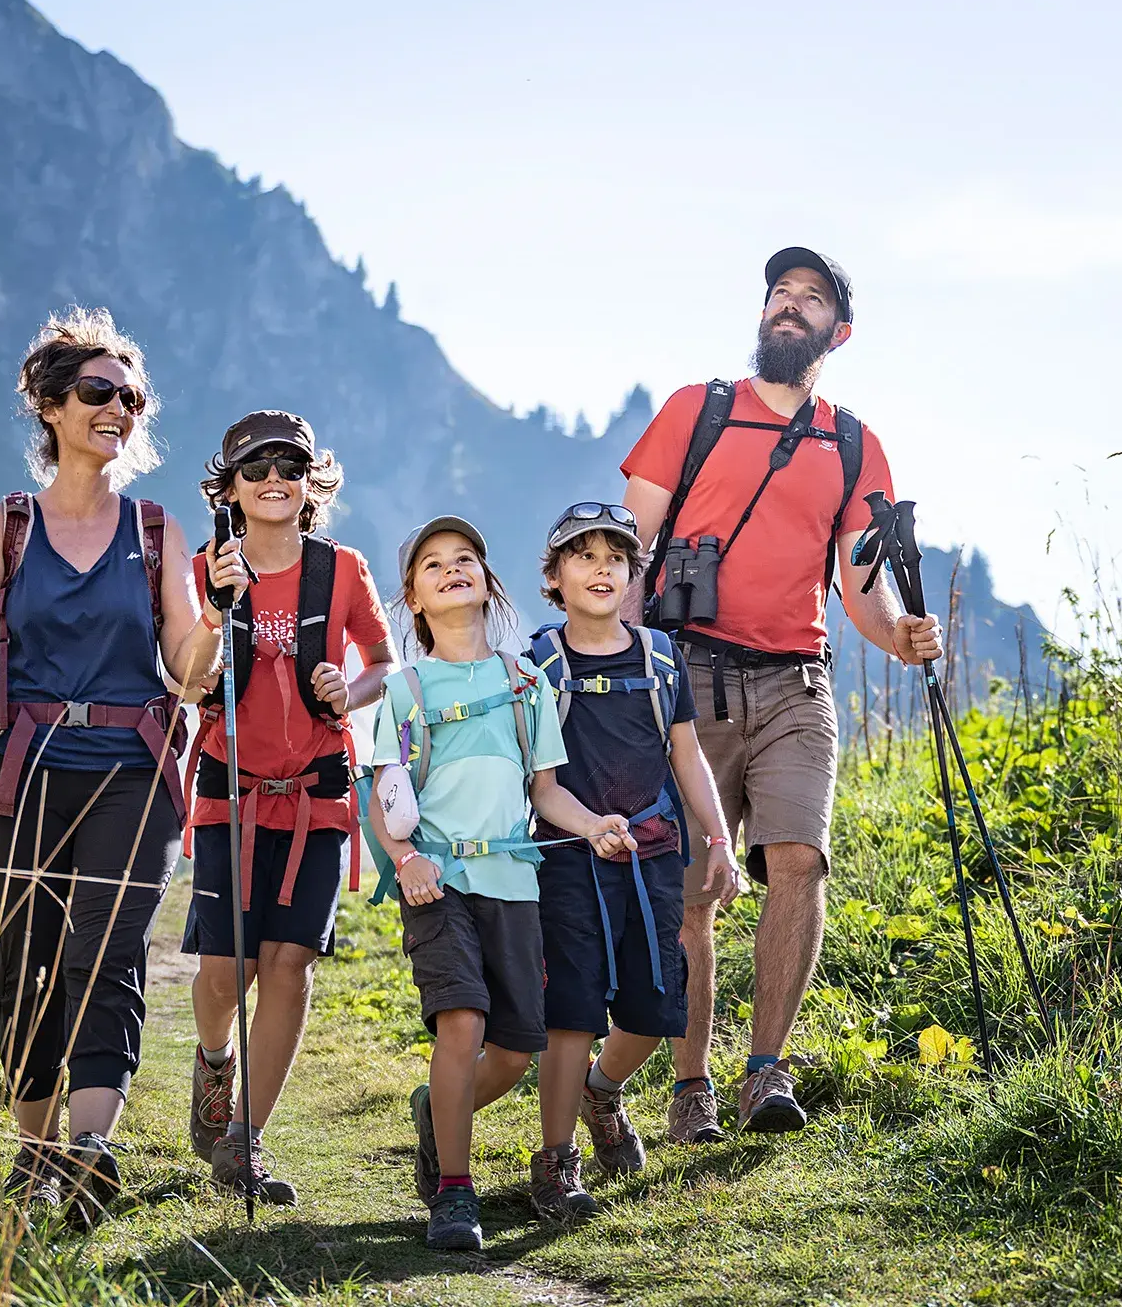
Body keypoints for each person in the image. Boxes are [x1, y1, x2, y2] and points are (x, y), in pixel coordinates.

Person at [0, 307, 246, 1228]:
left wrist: (216, 620)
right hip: (17, 774)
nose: (118, 409)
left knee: (107, 952)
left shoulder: (157, 531)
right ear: (52, 407)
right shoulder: (4, 526)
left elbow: (187, 676)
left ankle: (92, 1151)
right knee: (27, 961)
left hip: (131, 775)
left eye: (130, 397)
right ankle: (34, 1155)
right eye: (98, 393)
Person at [614, 248, 943, 1141]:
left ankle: (766, 1070)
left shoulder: (852, 443)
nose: (788, 308)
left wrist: (900, 637)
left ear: (839, 330)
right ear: (763, 315)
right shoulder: (697, 411)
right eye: (778, 295)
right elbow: (626, 553)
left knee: (798, 862)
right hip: (689, 678)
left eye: (810, 299)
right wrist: (619, 672)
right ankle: (691, 1088)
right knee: (691, 892)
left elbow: (860, 582)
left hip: (797, 680)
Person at [364, 515, 637, 1252]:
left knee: (514, 1052)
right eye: (432, 565)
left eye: (466, 560)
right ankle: (455, 1191)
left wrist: (591, 825)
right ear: (414, 600)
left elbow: (546, 791)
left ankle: (436, 1114)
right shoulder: (406, 689)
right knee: (462, 1024)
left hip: (514, 880)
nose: (452, 569)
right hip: (437, 883)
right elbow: (383, 793)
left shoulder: (526, 684)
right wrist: (406, 860)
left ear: (488, 583)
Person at [182, 410, 397, 1206]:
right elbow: (184, 675)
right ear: (230, 487)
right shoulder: (206, 568)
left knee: (288, 964)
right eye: (256, 468)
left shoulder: (341, 569)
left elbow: (380, 661)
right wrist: (213, 608)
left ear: (312, 484)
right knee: (224, 966)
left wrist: (354, 689)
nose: (275, 479)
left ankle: (247, 1140)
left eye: (291, 467)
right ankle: (213, 1062)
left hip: (318, 791)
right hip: (227, 791)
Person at [528, 504, 738, 1220]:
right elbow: (540, 786)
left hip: (653, 858)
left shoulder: (658, 655)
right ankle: (556, 1164)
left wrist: (719, 839)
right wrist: (591, 829)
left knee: (655, 1008)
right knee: (572, 1014)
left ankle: (600, 1091)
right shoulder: (539, 664)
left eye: (616, 558)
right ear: (554, 577)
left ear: (633, 575)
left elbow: (687, 756)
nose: (602, 569)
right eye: (582, 557)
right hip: (567, 860)